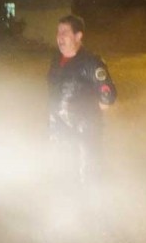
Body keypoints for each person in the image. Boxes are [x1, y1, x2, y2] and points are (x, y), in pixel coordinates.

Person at [47, 14, 117, 184]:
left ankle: (92, 206)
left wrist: (87, 116)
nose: (60, 37)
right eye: (58, 32)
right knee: (63, 171)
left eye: (65, 32)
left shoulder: (91, 62)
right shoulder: (57, 60)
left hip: (83, 132)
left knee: (87, 173)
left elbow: (107, 95)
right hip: (59, 128)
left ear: (78, 36)